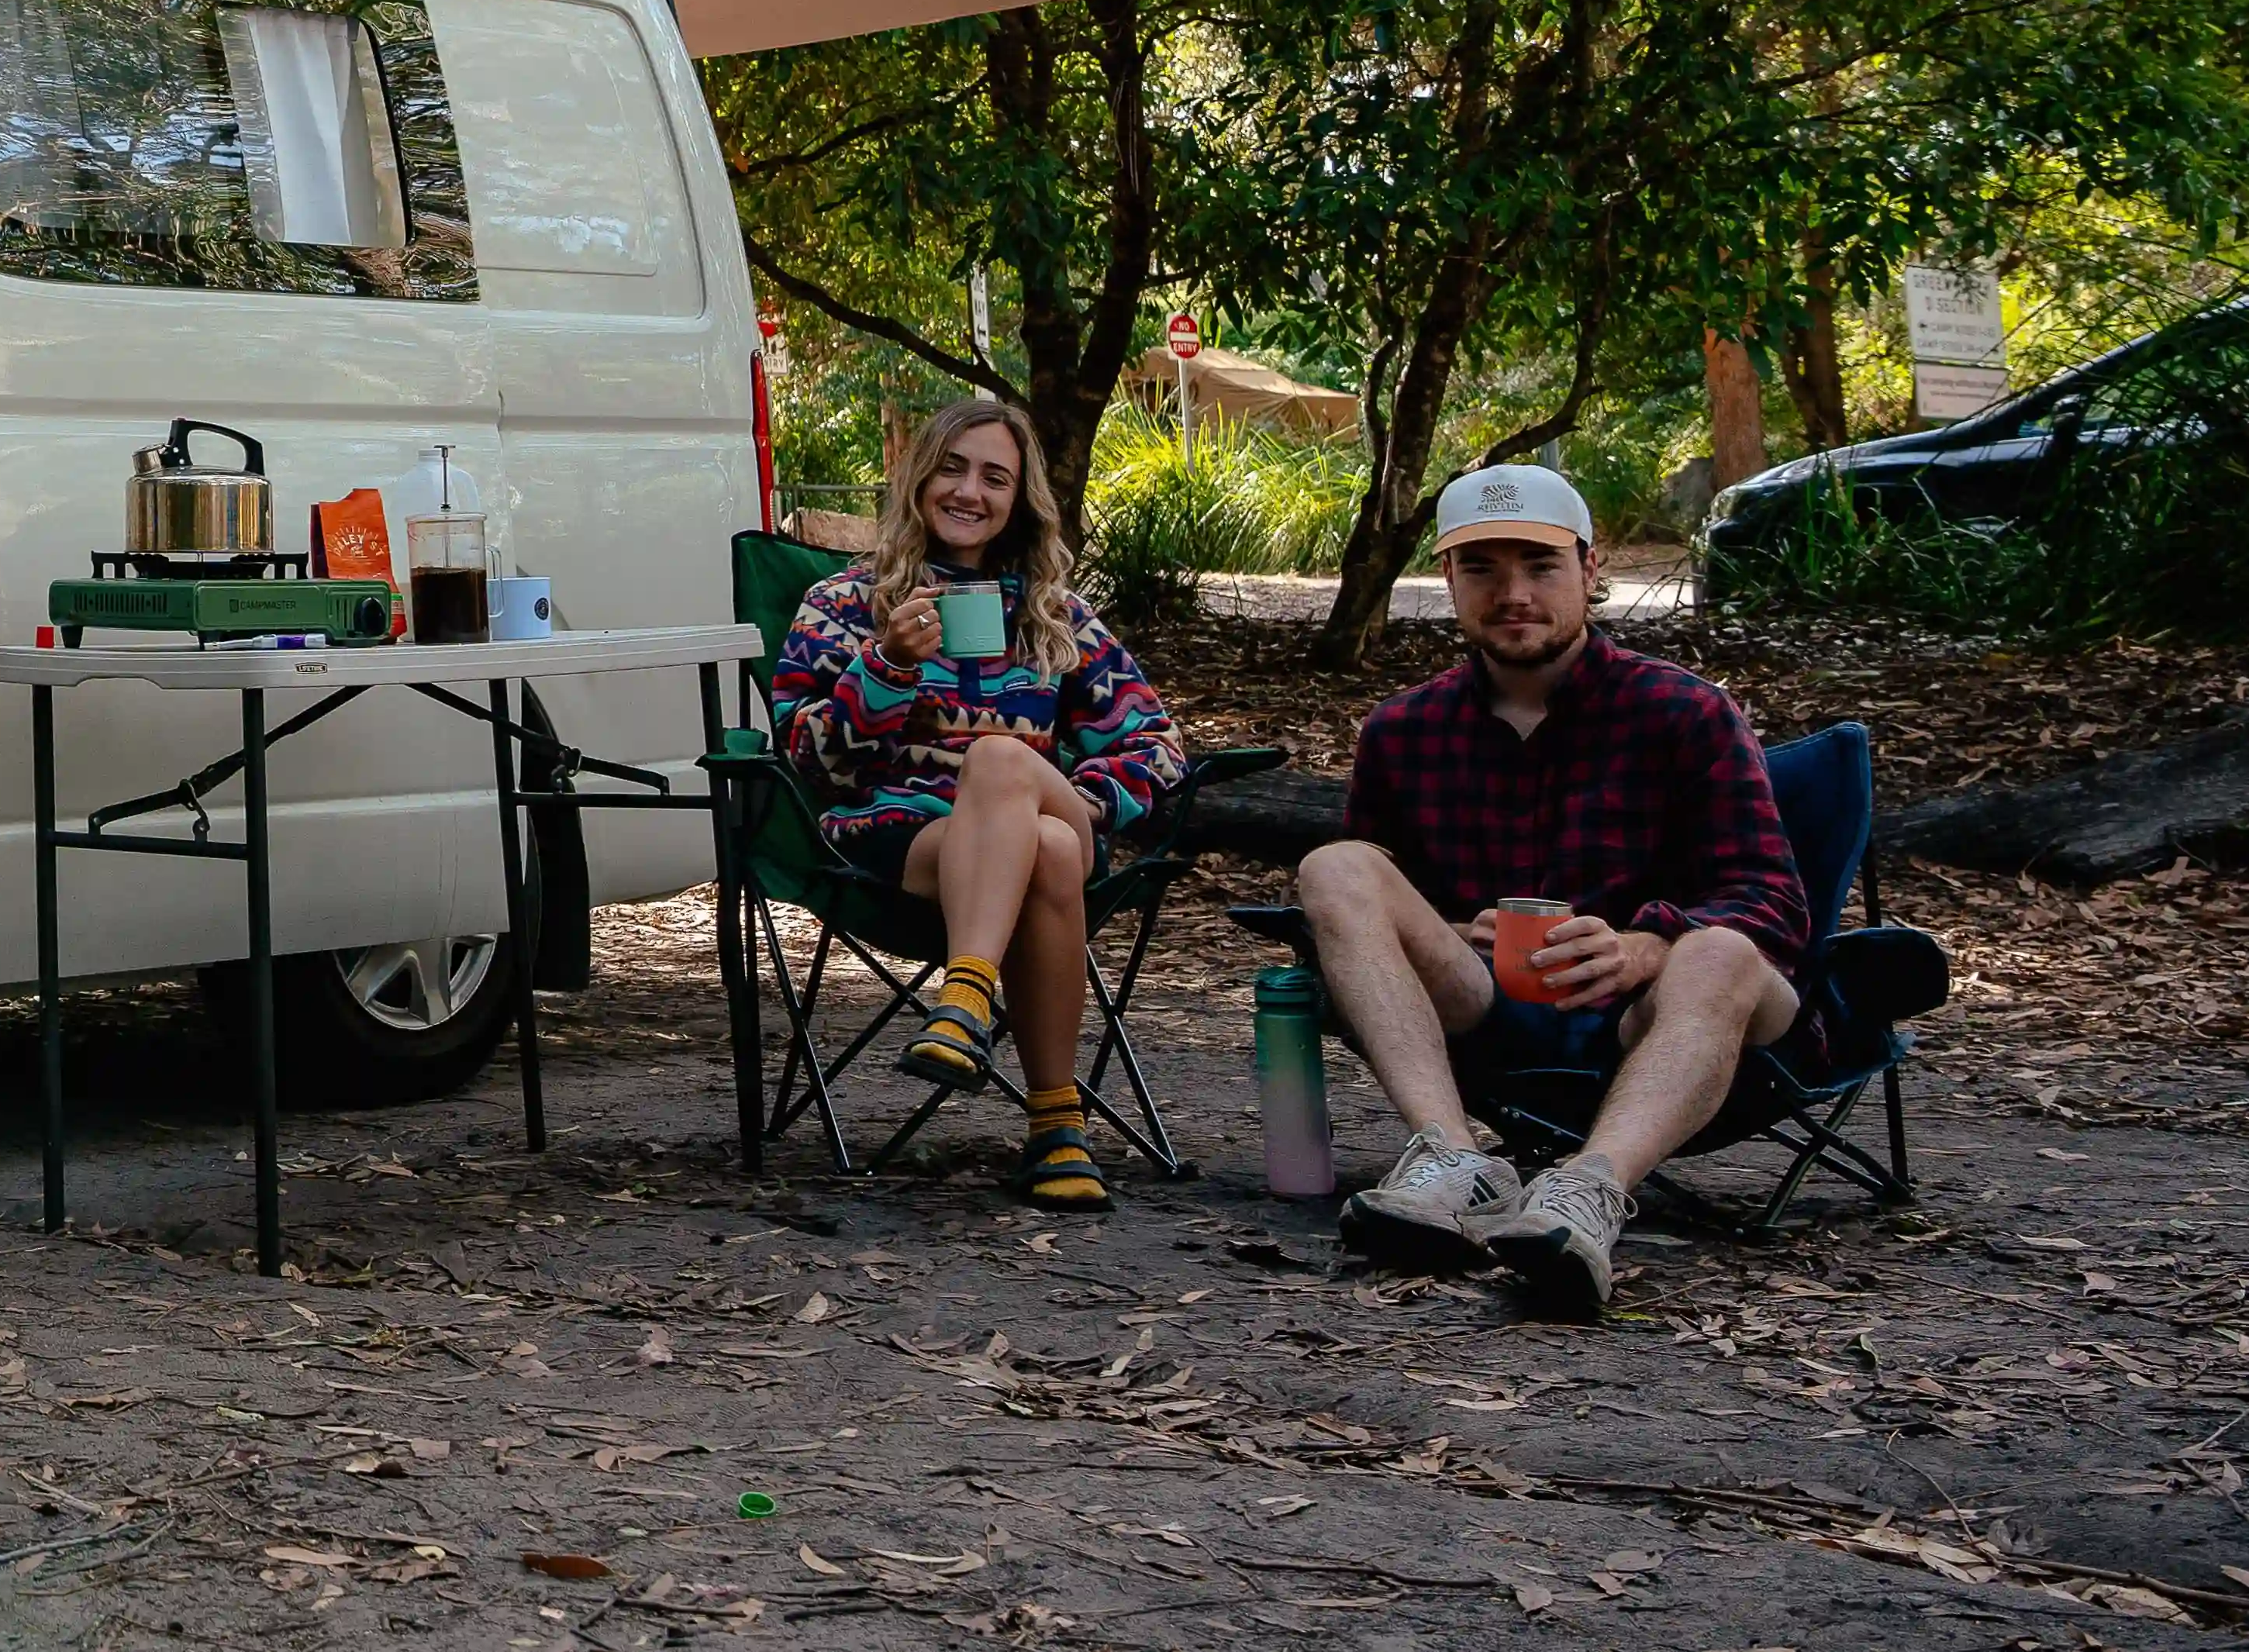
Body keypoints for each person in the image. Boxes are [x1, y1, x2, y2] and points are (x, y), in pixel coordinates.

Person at [1298, 461, 1806, 1317]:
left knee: (1719, 948)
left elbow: (1773, 899)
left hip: (1658, 1012)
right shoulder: (1402, 730)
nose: (1513, 592)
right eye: (1483, 568)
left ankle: (1588, 1191)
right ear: (1450, 580)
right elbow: (1385, 913)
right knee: (1335, 865)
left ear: (1589, 570)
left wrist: (1646, 943)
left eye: (1539, 565)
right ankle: (1455, 1158)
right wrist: (1458, 929)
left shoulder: (1686, 712)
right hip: (1485, 1005)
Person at [770, 394, 1192, 1209]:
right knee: (1051, 851)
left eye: (995, 477)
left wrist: (1082, 796)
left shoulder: (1053, 615)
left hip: (1049, 812)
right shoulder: (843, 605)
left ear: (1018, 501)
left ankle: (964, 997)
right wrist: (884, 664)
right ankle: (1057, 1126)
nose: (970, 491)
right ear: (918, 476)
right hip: (907, 839)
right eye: (953, 468)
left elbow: (1157, 748)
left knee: (1008, 767)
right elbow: (813, 764)